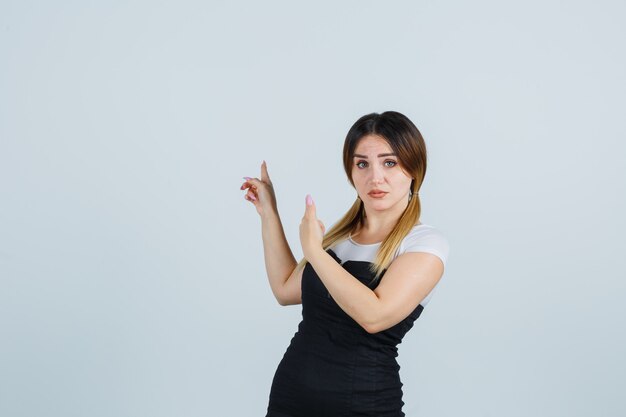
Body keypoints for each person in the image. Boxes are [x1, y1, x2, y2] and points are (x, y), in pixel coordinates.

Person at [240, 111, 450, 417]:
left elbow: (374, 316)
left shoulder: (425, 244)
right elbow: (285, 289)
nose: (375, 177)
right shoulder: (339, 238)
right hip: (290, 400)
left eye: (389, 162)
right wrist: (269, 213)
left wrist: (314, 251)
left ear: (414, 168)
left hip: (364, 405)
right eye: (362, 163)